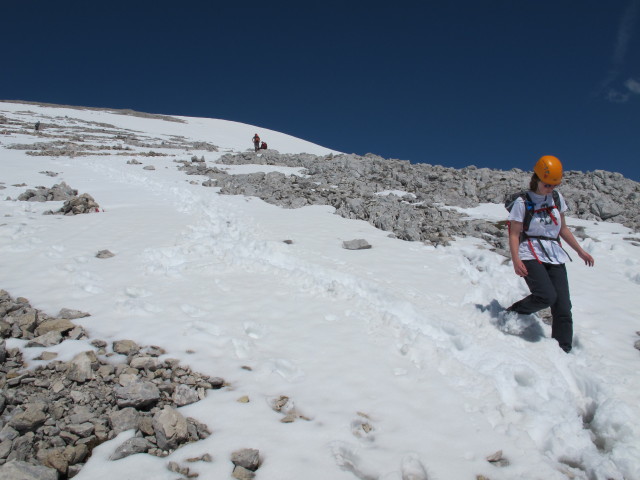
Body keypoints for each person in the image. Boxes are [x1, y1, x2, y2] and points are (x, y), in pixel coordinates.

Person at [506, 155, 595, 353]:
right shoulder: (522, 202)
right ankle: (515, 312)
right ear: (536, 178)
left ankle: (563, 349)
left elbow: (563, 229)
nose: (550, 189)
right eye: (547, 185)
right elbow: (514, 233)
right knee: (546, 296)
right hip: (530, 252)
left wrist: (580, 251)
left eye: (554, 185)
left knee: (563, 306)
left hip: (554, 253)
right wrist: (516, 260)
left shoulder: (556, 198)